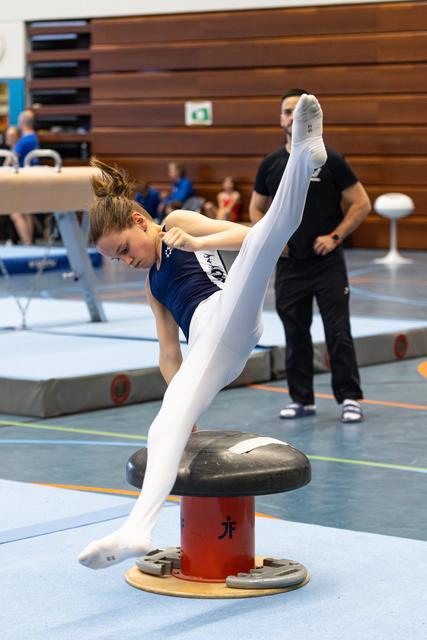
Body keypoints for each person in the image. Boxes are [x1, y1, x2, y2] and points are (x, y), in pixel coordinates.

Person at [78, 94, 327, 570]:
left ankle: (302, 153)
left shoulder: (178, 222)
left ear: (139, 221)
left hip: (229, 309)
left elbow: (244, 235)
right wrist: (183, 402)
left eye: (126, 248)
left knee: (269, 236)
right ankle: (136, 530)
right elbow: (169, 353)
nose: (128, 261)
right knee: (164, 423)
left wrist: (196, 241)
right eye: (118, 260)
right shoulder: (154, 285)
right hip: (212, 348)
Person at [249, 88, 371, 424]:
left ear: (309, 119)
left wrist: (335, 237)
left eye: (297, 112)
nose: (292, 117)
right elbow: (256, 209)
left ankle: (349, 397)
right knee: (295, 332)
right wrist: (272, 239)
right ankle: (302, 399)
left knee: (338, 331)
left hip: (327, 264)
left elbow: (361, 203)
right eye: (287, 111)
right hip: (290, 266)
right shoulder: (271, 165)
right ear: (281, 119)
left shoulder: (329, 159)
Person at [10, 110, 40, 244]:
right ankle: (29, 243)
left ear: (22, 122)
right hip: (32, 178)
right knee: (27, 212)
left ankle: (27, 243)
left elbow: (11, 159)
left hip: (22, 179)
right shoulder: (34, 138)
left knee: (15, 213)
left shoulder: (23, 141)